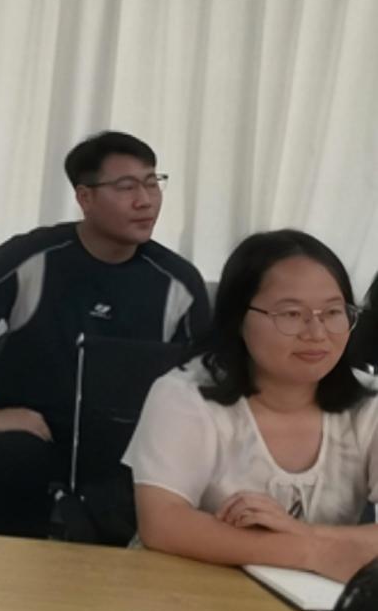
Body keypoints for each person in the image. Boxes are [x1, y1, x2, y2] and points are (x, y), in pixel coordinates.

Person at [0, 130, 209, 538]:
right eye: (126, 187)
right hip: (38, 437)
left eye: (152, 183)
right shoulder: (35, 255)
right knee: (8, 454)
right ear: (85, 197)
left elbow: (204, 376)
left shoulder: (177, 281)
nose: (145, 200)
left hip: (129, 447)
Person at [125, 229, 378, 583]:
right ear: (237, 318)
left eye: (334, 312)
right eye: (291, 314)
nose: (317, 332)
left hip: (309, 600)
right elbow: (163, 524)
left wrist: (300, 533)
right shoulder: (183, 395)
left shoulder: (369, 402)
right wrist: (313, 552)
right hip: (182, 588)